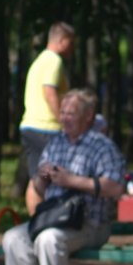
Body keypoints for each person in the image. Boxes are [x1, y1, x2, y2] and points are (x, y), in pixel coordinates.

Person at [2, 88, 126, 265]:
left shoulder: (103, 146)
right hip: (53, 217)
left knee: (48, 240)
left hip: (90, 224)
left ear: (88, 116)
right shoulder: (55, 144)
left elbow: (116, 187)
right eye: (62, 113)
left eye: (71, 114)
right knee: (13, 238)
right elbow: (39, 190)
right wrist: (42, 176)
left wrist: (73, 181)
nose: (64, 118)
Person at [19, 23, 77, 191]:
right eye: (70, 43)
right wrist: (63, 120)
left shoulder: (41, 60)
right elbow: (49, 91)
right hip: (46, 129)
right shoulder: (54, 61)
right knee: (49, 176)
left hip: (31, 127)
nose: (72, 48)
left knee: (38, 177)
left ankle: (38, 215)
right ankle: (41, 215)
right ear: (61, 40)